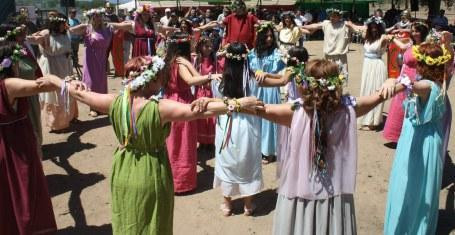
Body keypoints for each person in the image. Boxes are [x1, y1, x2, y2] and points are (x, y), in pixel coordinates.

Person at [48, 54, 261, 234]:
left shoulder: (114, 101)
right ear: (151, 80)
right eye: (160, 76)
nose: (163, 80)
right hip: (151, 171)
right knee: (153, 221)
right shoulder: (160, 108)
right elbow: (197, 111)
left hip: (123, 169)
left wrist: (60, 82)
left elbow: (80, 94)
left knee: (127, 217)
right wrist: (238, 103)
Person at [250, 59, 388, 234]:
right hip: (335, 189)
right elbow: (379, 96)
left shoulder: (293, 111)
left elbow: (258, 109)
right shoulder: (348, 109)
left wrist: (236, 104)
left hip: (300, 190)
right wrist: (392, 82)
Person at [382, 39, 453, 234]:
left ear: (422, 64)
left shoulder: (428, 85)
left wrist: (393, 80)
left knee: (411, 183)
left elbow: (412, 85)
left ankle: (409, 227)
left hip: (420, 142)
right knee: (420, 185)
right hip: (422, 138)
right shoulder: (442, 81)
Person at [0, 40, 60, 235]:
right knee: (23, 190)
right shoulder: (7, 85)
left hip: (11, 143)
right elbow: (40, 85)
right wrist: (64, 83)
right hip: (15, 146)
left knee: (8, 193)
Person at [163, 32, 223, 193]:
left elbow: (197, 76)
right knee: (181, 143)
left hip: (168, 100)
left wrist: (191, 66)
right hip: (181, 102)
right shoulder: (180, 63)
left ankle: (170, 179)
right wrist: (211, 75)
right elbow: (191, 80)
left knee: (171, 141)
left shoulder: (169, 61)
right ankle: (181, 182)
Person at [69, 7, 134, 117]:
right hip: (90, 59)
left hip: (102, 58)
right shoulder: (87, 28)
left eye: (100, 16)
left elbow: (126, 25)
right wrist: (80, 25)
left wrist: (131, 21)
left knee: (101, 82)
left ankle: (101, 106)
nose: (99, 19)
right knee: (91, 82)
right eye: (96, 17)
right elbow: (72, 30)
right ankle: (92, 107)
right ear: (91, 18)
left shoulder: (108, 28)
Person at [27, 14, 79, 131]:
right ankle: (57, 124)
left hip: (65, 65)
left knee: (68, 90)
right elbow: (34, 40)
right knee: (55, 94)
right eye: (62, 23)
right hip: (52, 65)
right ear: (55, 24)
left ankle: (70, 117)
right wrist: (23, 37)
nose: (65, 25)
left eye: (65, 23)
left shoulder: (65, 33)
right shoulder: (46, 33)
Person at [383, 22, 429, 144]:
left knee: (411, 107)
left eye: (417, 31)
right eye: (412, 31)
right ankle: (398, 136)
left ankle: (409, 136)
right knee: (399, 107)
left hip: (414, 79)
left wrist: (394, 38)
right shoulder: (411, 43)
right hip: (403, 76)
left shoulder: (426, 47)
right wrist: (394, 37)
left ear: (423, 32)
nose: (414, 33)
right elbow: (402, 46)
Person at [3, 23, 44, 156]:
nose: (24, 35)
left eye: (24, 32)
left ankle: (37, 148)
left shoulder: (24, 46)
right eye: (20, 33)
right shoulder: (8, 52)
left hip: (31, 93)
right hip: (20, 96)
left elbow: (34, 66)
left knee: (35, 121)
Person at [248, 22, 286, 164]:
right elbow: (250, 70)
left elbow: (284, 73)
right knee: (256, 117)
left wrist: (268, 74)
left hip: (271, 90)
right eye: (267, 36)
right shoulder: (253, 53)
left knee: (269, 119)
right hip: (256, 89)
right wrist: (256, 71)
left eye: (271, 36)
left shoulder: (277, 53)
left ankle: (269, 151)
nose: (269, 39)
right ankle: (257, 148)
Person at [347, 16, 389, 130]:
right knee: (366, 90)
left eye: (376, 27)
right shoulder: (366, 36)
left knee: (375, 90)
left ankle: (374, 122)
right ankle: (366, 119)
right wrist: (350, 24)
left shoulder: (383, 37)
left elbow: (392, 37)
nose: (374, 29)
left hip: (377, 65)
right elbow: (358, 28)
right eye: (372, 27)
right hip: (367, 65)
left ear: (380, 27)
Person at [302, 8, 352, 80]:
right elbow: (314, 25)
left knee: (341, 78)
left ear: (339, 17)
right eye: (330, 16)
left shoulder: (345, 24)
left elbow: (356, 28)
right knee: (327, 78)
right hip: (328, 57)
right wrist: (301, 26)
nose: (332, 17)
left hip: (340, 58)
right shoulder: (326, 23)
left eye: (334, 16)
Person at [193, 36, 224, 151]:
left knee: (212, 116)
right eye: (207, 46)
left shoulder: (215, 60)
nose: (209, 48)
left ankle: (211, 142)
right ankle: (202, 142)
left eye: (211, 46)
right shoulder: (197, 60)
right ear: (200, 47)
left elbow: (220, 73)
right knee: (201, 116)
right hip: (200, 91)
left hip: (211, 92)